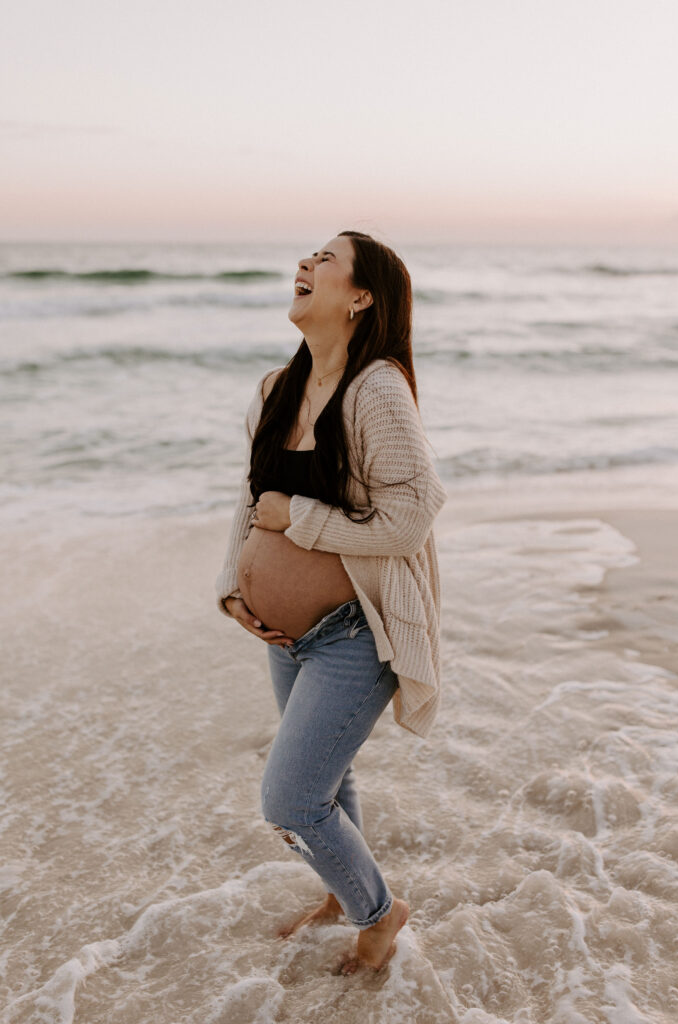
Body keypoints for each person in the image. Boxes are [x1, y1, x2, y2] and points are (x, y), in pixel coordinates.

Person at [216, 230, 447, 975]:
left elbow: (411, 515)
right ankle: (340, 894)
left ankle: (379, 914)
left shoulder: (376, 387)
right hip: (288, 635)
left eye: (326, 258)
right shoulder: (273, 390)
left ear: (360, 296)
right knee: (328, 778)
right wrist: (231, 586)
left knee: (289, 800)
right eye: (306, 254)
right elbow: (251, 502)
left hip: (356, 630)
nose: (305, 263)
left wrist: (301, 521)